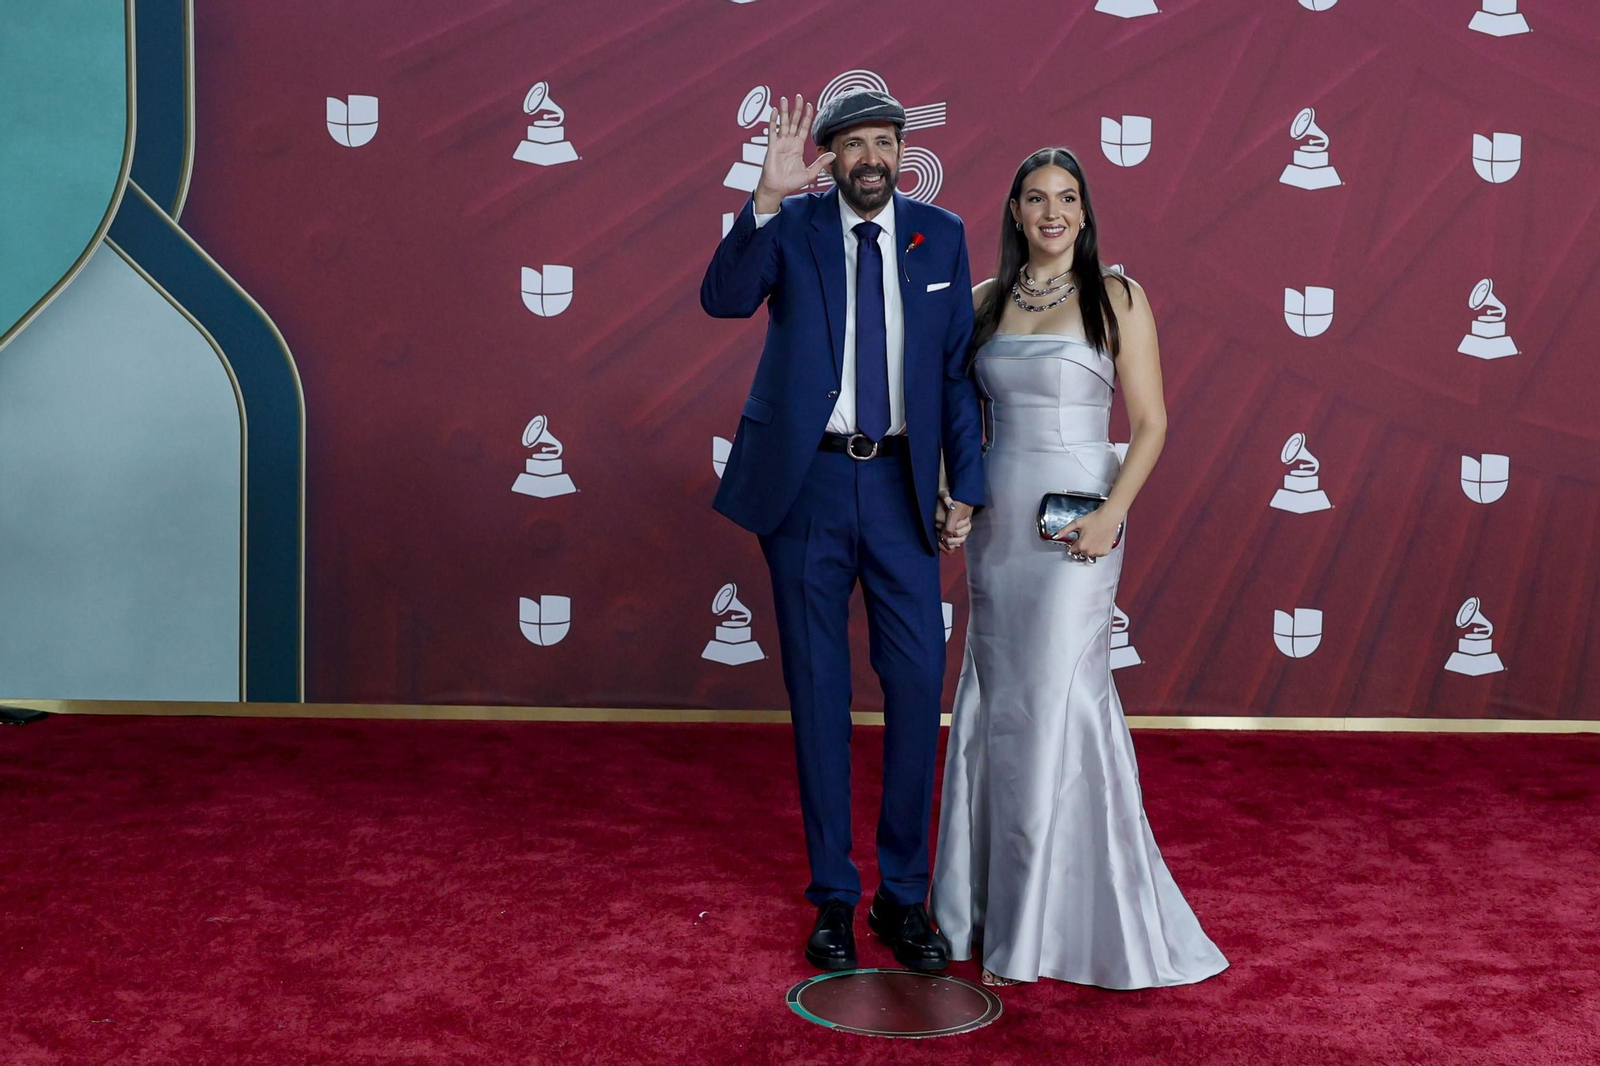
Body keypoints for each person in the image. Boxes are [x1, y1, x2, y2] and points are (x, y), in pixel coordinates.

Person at [929, 147, 1229, 989]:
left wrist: (1111, 514)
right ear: (1016, 213)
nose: (1052, 212)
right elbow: (963, 423)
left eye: (1067, 198)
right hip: (999, 529)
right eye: (1036, 198)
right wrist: (957, 496)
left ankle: (1051, 922)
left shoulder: (1119, 298)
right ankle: (981, 911)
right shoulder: (985, 303)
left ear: (1086, 214)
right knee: (998, 703)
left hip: (1077, 527)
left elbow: (1152, 423)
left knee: (1063, 700)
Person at [700, 90, 985, 972]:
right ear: (829, 155)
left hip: (901, 487)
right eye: (853, 143)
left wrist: (965, 486)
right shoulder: (795, 225)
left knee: (912, 687)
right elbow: (722, 298)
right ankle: (833, 895)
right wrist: (765, 199)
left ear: (904, 152)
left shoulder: (942, 235)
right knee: (818, 694)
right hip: (807, 486)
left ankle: (904, 898)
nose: (870, 157)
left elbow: (955, 377)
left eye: (884, 143)